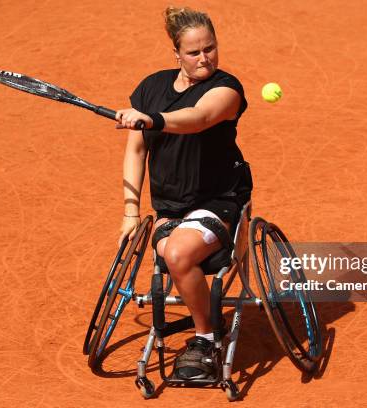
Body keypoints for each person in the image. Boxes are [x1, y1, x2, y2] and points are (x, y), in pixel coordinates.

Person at [114, 6, 252, 380]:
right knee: (174, 252)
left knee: (176, 252)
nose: (204, 58)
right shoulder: (151, 88)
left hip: (219, 201)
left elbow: (200, 118)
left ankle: (206, 337)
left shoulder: (226, 88)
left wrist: (153, 119)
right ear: (176, 54)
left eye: (210, 48)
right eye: (194, 52)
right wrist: (130, 211)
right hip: (170, 208)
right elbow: (136, 150)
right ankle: (206, 323)